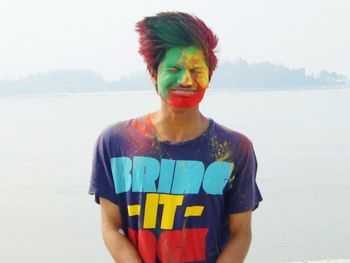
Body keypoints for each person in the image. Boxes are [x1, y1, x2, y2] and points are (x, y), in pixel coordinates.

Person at [89, 12, 262, 263]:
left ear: (209, 77)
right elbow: (111, 226)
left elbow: (240, 233)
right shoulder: (116, 142)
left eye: (195, 70)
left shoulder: (235, 148)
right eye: (174, 68)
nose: (186, 79)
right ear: (153, 74)